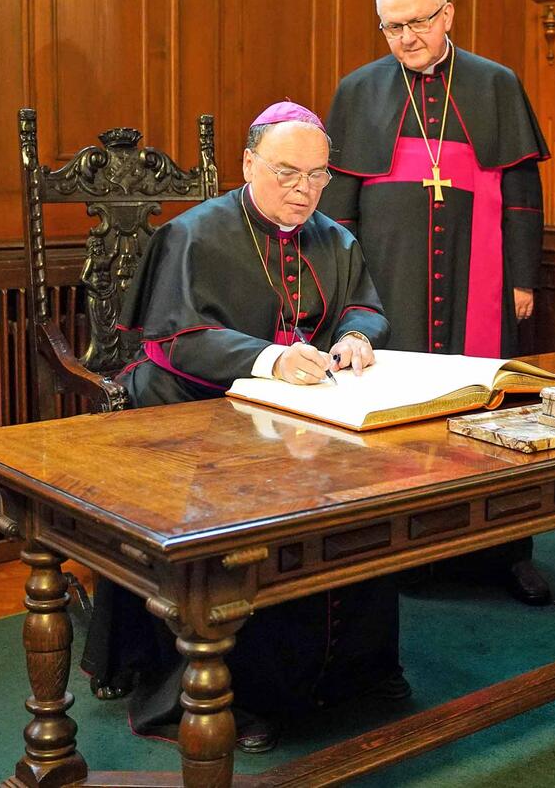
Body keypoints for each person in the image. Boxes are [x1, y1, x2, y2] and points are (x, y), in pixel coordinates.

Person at [82, 101, 408, 753]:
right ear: (247, 162)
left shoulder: (332, 236)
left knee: (371, 493)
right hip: (187, 416)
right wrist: (270, 359)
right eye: (288, 172)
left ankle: (345, 674)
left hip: (301, 419)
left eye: (318, 176)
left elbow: (365, 306)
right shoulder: (194, 235)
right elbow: (176, 341)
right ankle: (223, 689)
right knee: (243, 532)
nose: (304, 191)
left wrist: (354, 337)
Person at [320, 0, 552, 605]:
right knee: (391, 405)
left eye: (419, 21)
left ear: (447, 16)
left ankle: (504, 550)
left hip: (483, 272)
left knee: (493, 404)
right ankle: (393, 549)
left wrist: (523, 276)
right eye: (393, 27)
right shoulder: (358, 89)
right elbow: (338, 205)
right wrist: (343, 288)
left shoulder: (495, 84)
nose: (408, 37)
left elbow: (523, 194)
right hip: (388, 276)